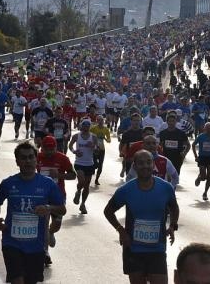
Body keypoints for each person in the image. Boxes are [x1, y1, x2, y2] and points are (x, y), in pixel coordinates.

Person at [0, 142, 66, 283]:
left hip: (36, 245)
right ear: (17, 161)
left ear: (36, 160)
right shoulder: (8, 183)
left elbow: (62, 209)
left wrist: (48, 208)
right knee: (17, 280)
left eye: (31, 157)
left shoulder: (48, 183)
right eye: (23, 158)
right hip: (11, 242)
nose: (28, 161)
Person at [103, 150, 179, 284]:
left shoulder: (165, 188)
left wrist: (172, 225)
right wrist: (120, 230)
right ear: (135, 166)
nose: (145, 166)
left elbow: (174, 207)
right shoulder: (126, 190)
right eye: (141, 163)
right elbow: (108, 211)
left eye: (149, 162)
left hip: (158, 248)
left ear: (153, 164)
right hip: (133, 248)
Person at [36, 135, 76, 266]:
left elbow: (73, 175)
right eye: (46, 149)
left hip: (58, 195)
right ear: (42, 148)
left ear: (55, 147)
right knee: (44, 221)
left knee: (57, 224)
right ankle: (45, 253)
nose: (48, 152)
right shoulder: (37, 157)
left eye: (51, 149)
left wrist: (59, 175)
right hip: (42, 195)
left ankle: (50, 232)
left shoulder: (62, 158)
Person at [68, 120, 98, 214]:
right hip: (79, 163)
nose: (86, 127)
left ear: (90, 127)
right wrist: (74, 151)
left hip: (89, 163)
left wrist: (93, 146)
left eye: (88, 126)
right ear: (81, 126)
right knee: (81, 181)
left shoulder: (93, 137)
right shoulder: (77, 136)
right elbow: (70, 145)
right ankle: (78, 191)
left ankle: (83, 204)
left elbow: (97, 150)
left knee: (87, 186)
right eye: (84, 125)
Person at [192, 122, 210, 201]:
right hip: (202, 158)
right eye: (207, 128)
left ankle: (205, 192)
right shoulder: (201, 136)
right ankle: (199, 177)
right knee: (203, 177)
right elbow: (193, 145)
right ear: (204, 129)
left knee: (209, 177)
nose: (209, 130)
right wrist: (196, 156)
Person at [89, 114, 111, 185]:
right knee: (95, 164)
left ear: (103, 121)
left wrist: (106, 139)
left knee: (100, 165)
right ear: (97, 121)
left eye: (102, 120)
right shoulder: (93, 128)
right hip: (94, 149)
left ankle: (97, 179)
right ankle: (93, 169)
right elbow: (88, 136)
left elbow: (109, 139)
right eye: (99, 120)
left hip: (102, 149)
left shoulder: (106, 129)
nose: (101, 121)